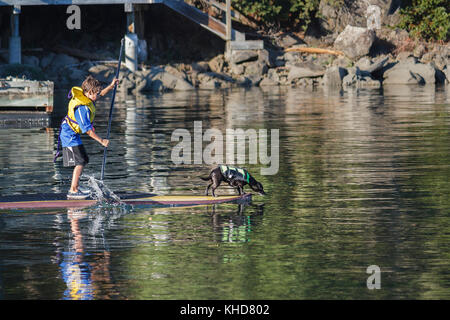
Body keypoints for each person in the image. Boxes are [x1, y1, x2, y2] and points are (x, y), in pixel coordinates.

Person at [55, 75, 118, 199]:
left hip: (72, 134)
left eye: (98, 93)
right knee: (81, 161)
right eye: (95, 93)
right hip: (69, 135)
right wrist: (102, 141)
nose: (97, 95)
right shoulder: (82, 108)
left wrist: (111, 86)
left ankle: (75, 187)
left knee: (83, 160)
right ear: (88, 93)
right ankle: (73, 190)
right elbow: (88, 131)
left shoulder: (87, 98)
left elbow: (101, 95)